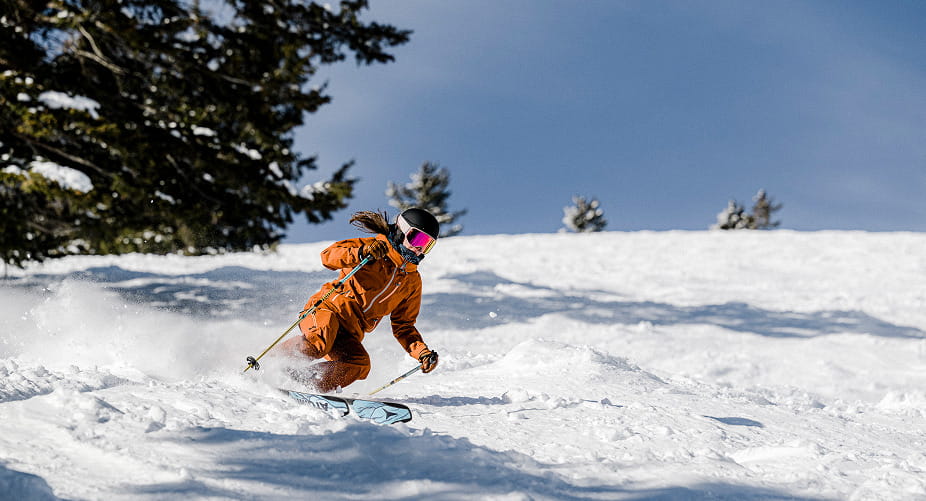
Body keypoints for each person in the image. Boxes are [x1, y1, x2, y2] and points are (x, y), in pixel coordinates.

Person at [278, 208, 440, 393]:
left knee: (359, 363)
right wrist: (361, 252)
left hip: (350, 332)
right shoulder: (374, 248)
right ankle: (275, 362)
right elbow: (328, 256)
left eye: (427, 244)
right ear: (401, 231)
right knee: (320, 340)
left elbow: (404, 325)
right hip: (327, 309)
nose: (419, 248)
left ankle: (310, 384)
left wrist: (422, 353)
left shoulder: (411, 282)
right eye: (417, 239)